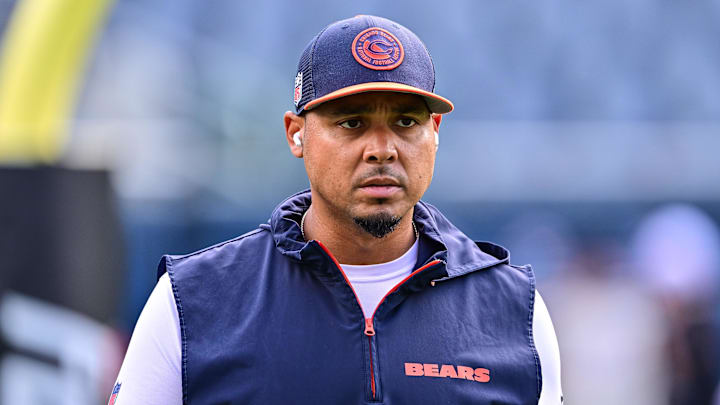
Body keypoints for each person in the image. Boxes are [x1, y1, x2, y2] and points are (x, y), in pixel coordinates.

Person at [109, 15, 562, 405]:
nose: (382, 149)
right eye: (352, 123)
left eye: (406, 122)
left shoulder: (514, 308)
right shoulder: (193, 299)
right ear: (296, 133)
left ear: (435, 131)